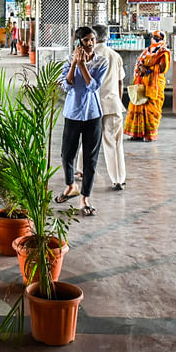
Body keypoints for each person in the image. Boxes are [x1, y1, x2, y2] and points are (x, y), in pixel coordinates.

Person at [54, 26, 106, 216]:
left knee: (90, 159)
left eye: (92, 39)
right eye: (86, 40)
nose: (90, 43)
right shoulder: (69, 60)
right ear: (77, 42)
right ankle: (70, 186)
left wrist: (83, 65)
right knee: (67, 154)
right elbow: (66, 86)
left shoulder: (102, 62)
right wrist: (75, 63)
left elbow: (93, 86)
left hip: (93, 115)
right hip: (73, 113)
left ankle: (85, 197)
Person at [91, 24, 126, 191]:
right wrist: (117, 101)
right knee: (114, 142)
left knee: (88, 140)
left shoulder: (90, 55)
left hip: (93, 106)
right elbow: (120, 82)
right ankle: (118, 178)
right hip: (112, 105)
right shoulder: (115, 55)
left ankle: (80, 169)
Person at [124, 30, 172, 142]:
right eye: (154, 37)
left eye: (159, 38)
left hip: (154, 85)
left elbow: (162, 69)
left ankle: (150, 135)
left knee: (151, 109)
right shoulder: (146, 51)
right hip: (141, 83)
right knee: (137, 106)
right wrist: (141, 68)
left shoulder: (164, 52)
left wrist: (148, 70)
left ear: (163, 39)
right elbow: (139, 63)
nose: (156, 39)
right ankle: (137, 134)